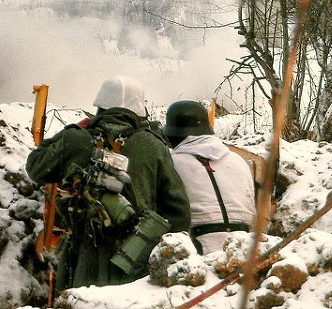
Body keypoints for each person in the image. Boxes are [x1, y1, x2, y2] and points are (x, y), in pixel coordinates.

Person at [26, 75, 190, 290]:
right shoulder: (154, 146)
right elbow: (178, 212)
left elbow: (36, 167)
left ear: (100, 105)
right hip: (134, 260)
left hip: (82, 260)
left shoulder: (76, 138)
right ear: (138, 109)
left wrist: (72, 133)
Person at [163, 100, 255, 254]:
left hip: (199, 249)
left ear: (172, 134)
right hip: (244, 247)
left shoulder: (172, 162)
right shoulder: (238, 160)